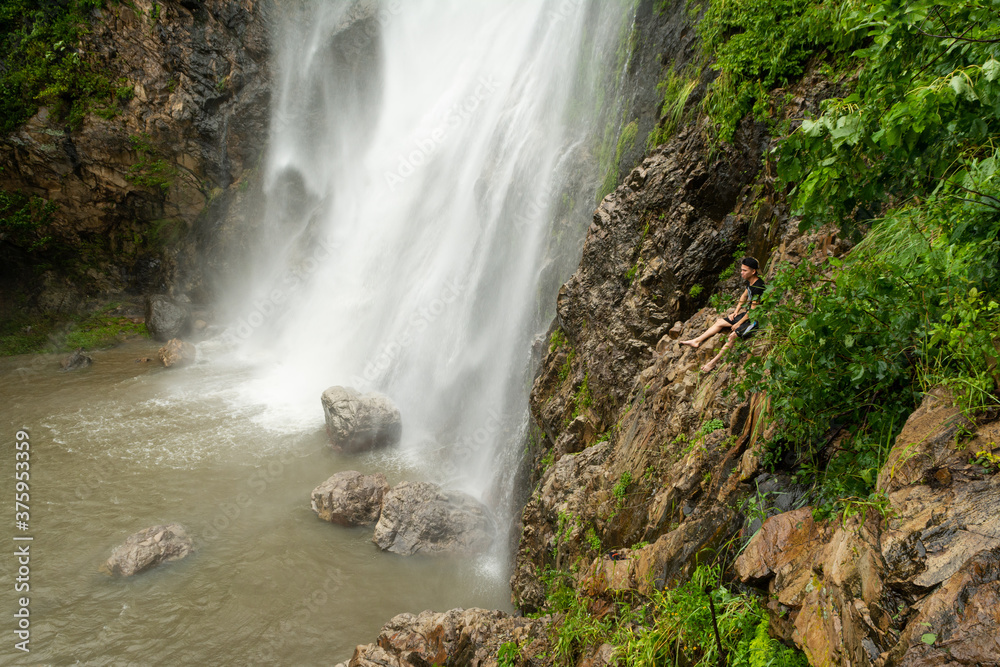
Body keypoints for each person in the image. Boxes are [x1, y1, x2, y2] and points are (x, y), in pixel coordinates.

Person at [679, 257, 766, 372]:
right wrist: (735, 311)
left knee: (732, 336)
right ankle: (696, 341)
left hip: (755, 320)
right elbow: (744, 296)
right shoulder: (751, 282)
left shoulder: (758, 287)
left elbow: (753, 312)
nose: (741, 273)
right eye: (741, 270)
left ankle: (712, 363)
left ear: (753, 271)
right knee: (720, 322)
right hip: (747, 314)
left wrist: (738, 323)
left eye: (744, 270)